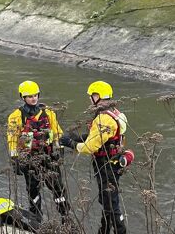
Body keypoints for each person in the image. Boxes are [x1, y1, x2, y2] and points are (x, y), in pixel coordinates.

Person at [60, 81, 134, 234]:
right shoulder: (116, 112)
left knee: (111, 204)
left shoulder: (103, 119)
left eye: (91, 96)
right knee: (107, 201)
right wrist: (81, 137)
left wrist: (71, 143)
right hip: (114, 162)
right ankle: (104, 230)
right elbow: (108, 138)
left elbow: (90, 148)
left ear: (97, 96)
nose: (90, 99)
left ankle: (120, 231)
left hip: (105, 165)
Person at [7, 80, 70, 221]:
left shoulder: (48, 113)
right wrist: (14, 158)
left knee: (58, 187)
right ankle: (36, 217)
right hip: (29, 157)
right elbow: (12, 139)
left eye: (36, 95)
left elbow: (57, 132)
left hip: (48, 155)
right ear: (23, 98)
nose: (34, 98)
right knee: (33, 189)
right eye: (30, 96)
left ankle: (65, 216)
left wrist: (59, 149)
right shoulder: (16, 116)